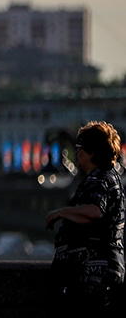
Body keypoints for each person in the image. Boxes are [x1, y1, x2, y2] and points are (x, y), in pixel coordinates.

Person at [45, 120, 124, 314]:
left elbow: (95, 211)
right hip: (97, 272)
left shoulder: (99, 179)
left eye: (80, 147)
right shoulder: (106, 177)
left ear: (92, 152)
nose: (77, 152)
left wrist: (60, 212)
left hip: (94, 276)